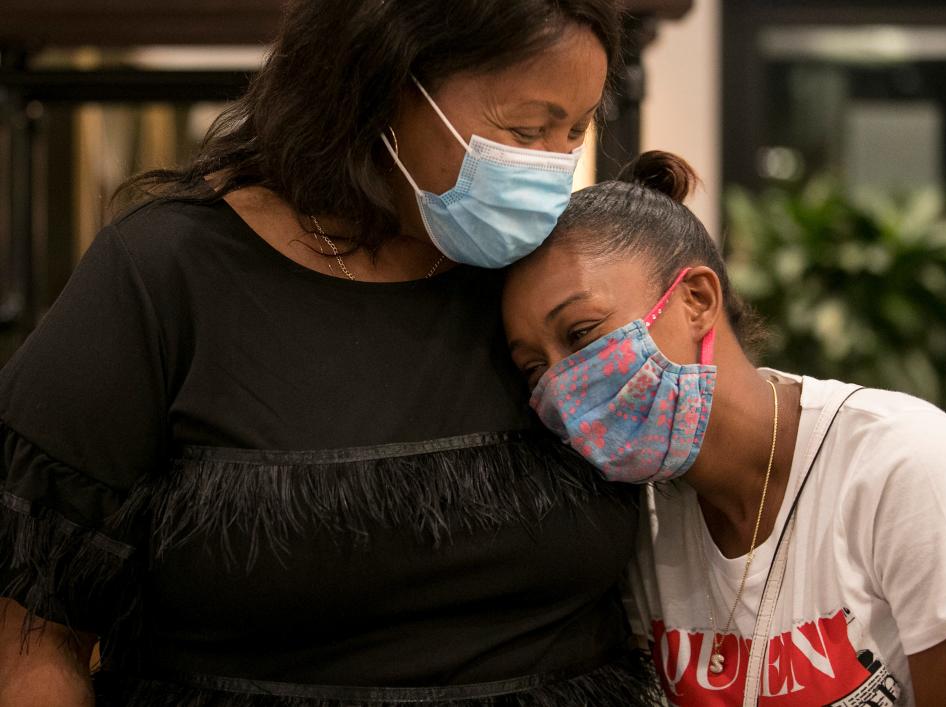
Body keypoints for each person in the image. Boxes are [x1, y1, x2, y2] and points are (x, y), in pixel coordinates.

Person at [0, 2, 665, 705]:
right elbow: (33, 643)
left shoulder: (558, 289)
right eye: (526, 129)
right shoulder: (167, 275)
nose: (552, 169)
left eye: (573, 131)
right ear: (383, 84)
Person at [501, 151, 946, 706]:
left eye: (580, 334)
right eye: (534, 367)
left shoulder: (906, 466)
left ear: (697, 300)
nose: (562, 383)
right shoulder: (631, 521)